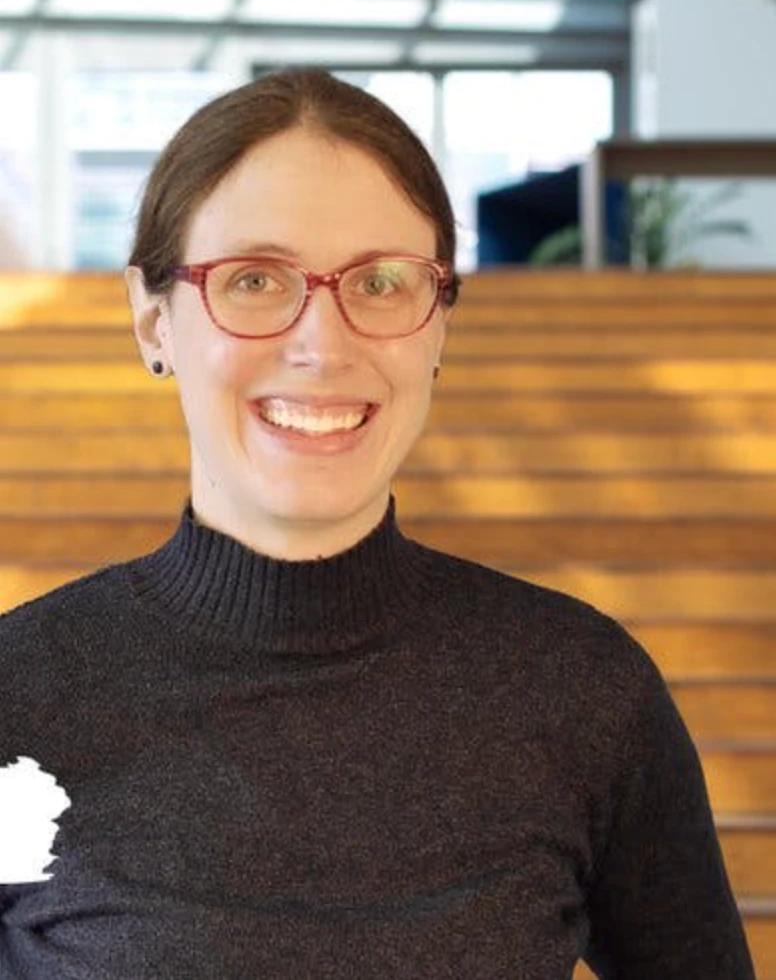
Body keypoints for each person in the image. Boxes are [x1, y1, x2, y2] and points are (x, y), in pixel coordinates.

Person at [0, 67, 755, 979]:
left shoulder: (585, 691)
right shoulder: (20, 695)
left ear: (438, 324)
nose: (322, 345)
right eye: (252, 279)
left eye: (385, 282)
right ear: (153, 319)